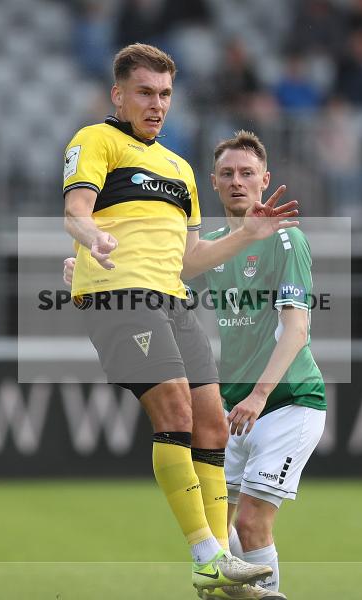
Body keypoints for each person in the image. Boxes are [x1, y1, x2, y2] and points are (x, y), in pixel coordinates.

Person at [62, 43, 298, 597]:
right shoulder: (96, 141)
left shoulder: (179, 169)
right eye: (145, 92)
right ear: (118, 94)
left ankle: (222, 576)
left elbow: (189, 261)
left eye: (165, 93)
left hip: (169, 297)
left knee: (211, 422)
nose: (157, 104)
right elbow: (75, 211)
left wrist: (246, 234)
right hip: (119, 292)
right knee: (173, 406)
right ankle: (209, 556)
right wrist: (92, 236)